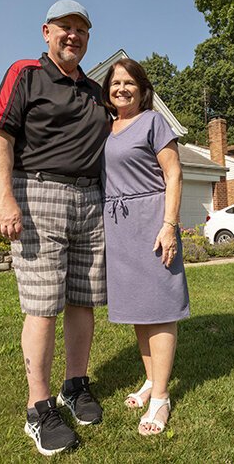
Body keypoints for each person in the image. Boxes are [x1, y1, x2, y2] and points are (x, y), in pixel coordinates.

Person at [0, 0, 110, 456]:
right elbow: (0, 135)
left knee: (83, 299)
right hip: (38, 194)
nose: (73, 35)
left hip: (91, 200)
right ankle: (38, 408)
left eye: (81, 29)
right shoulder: (26, 74)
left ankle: (75, 386)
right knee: (42, 305)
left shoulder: (97, 92)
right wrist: (4, 196)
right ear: (46, 32)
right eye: (65, 27)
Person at [101, 59, 190, 436]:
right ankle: (150, 380)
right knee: (139, 307)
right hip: (118, 226)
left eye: (129, 82)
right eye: (115, 82)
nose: (122, 88)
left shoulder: (154, 122)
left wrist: (169, 225)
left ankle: (162, 398)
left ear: (142, 88)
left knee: (160, 305)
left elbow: (173, 173)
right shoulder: (107, 128)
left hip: (151, 221)